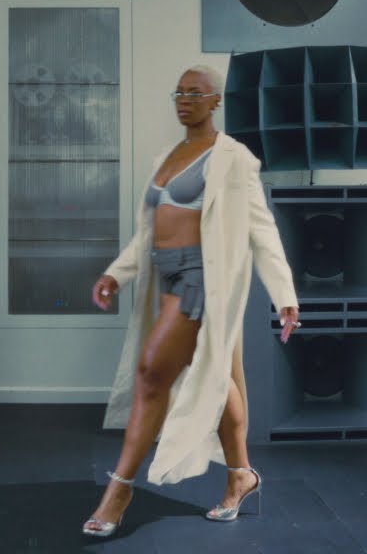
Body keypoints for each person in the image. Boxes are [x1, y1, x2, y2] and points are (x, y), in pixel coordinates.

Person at [81, 64, 301, 537]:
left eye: (196, 93)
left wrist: (284, 293)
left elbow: (261, 228)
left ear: (216, 101)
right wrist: (117, 273)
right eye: (179, 92)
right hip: (164, 276)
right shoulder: (167, 155)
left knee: (151, 374)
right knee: (216, 376)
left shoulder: (233, 158)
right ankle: (241, 475)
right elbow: (148, 232)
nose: (185, 100)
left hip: (201, 280)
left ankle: (119, 490)